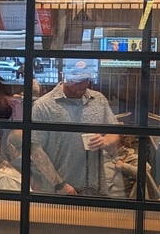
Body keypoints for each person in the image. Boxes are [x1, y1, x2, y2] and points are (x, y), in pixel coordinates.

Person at [30, 67, 123, 196]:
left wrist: (105, 141)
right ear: (64, 77)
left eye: (86, 80)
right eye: (77, 81)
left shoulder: (98, 100)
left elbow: (114, 132)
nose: (83, 85)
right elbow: (35, 150)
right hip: (56, 191)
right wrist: (59, 184)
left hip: (94, 189)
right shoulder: (44, 106)